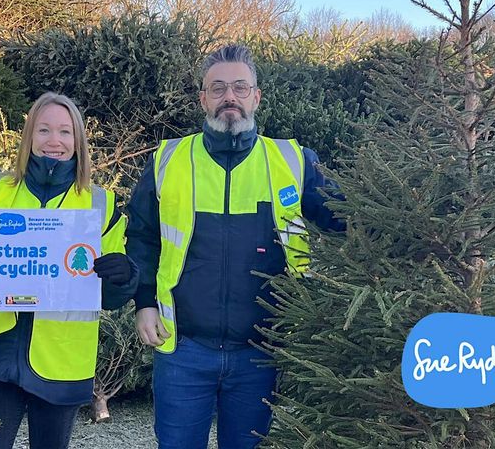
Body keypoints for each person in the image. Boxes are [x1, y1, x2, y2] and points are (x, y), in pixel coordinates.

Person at [127, 44, 342, 448]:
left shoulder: (294, 161)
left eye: (240, 88)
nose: (230, 97)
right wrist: (143, 303)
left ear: (256, 97)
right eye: (219, 87)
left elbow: (348, 217)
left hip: (261, 351)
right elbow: (141, 238)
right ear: (203, 98)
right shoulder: (167, 160)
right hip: (182, 349)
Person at [0, 92, 136, 449]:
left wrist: (123, 278)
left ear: (78, 141)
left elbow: (110, 296)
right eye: (44, 130)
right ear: (29, 137)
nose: (54, 141)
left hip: (63, 360)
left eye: (65, 132)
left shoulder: (100, 203)